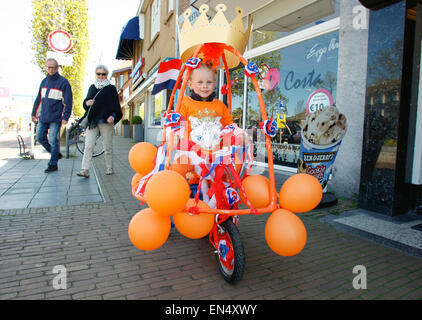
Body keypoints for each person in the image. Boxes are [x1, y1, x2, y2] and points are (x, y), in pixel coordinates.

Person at [76, 65, 122, 178]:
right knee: (88, 145)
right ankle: (85, 169)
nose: (101, 76)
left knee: (107, 146)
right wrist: (87, 103)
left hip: (106, 121)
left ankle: (109, 168)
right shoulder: (92, 87)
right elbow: (85, 103)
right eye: (98, 74)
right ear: (96, 75)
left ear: (107, 75)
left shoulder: (111, 89)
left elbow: (116, 106)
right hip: (93, 121)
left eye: (103, 74)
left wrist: (113, 115)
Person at [31, 58, 72, 173]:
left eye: (53, 67)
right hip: (43, 116)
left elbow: (68, 102)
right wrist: (33, 113)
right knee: (39, 137)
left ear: (57, 67)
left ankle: (53, 164)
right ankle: (55, 154)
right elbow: (38, 99)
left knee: (53, 140)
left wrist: (65, 117)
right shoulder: (44, 82)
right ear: (46, 67)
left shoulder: (64, 82)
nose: (51, 69)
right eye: (49, 67)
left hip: (56, 117)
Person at [180, 61, 234, 137]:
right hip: (191, 147)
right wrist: (175, 137)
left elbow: (230, 125)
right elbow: (178, 127)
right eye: (200, 82)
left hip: (217, 148)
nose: (205, 86)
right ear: (190, 84)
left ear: (214, 83)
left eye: (209, 82)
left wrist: (239, 134)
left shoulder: (220, 105)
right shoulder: (185, 103)